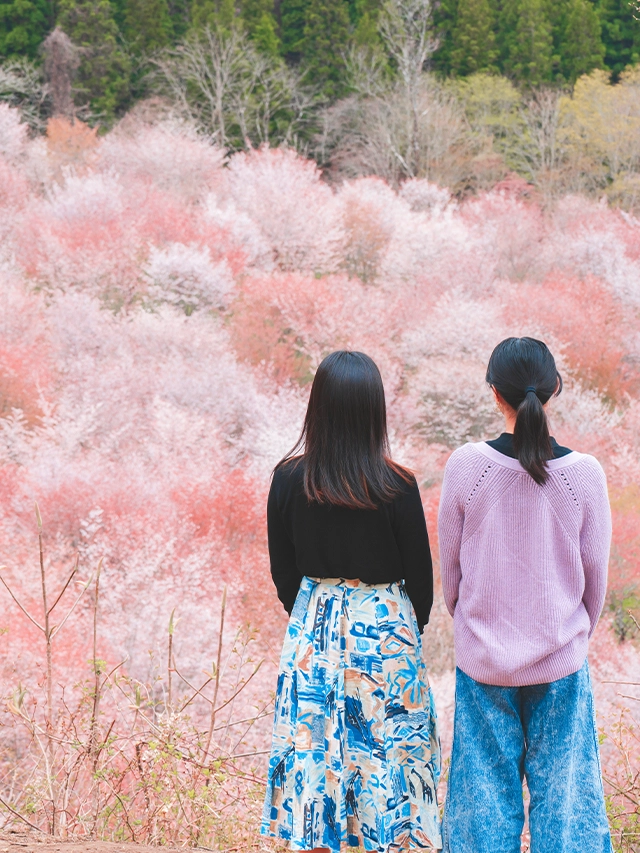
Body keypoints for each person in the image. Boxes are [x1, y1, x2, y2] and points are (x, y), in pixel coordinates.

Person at [261, 350, 442, 853]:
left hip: (313, 631)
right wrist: (404, 627)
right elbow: (420, 579)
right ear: (374, 411)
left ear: (316, 407)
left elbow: (283, 573)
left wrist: (313, 617)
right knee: (391, 756)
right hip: (385, 632)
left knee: (317, 759)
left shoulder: (289, 478)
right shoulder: (397, 484)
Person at [438, 336, 612, 853]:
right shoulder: (584, 475)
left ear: (495, 393)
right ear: (554, 389)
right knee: (567, 809)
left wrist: (474, 624)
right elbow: (594, 580)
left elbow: (451, 574)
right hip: (559, 658)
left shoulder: (467, 467)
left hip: (484, 661)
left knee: (481, 814)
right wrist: (568, 630)